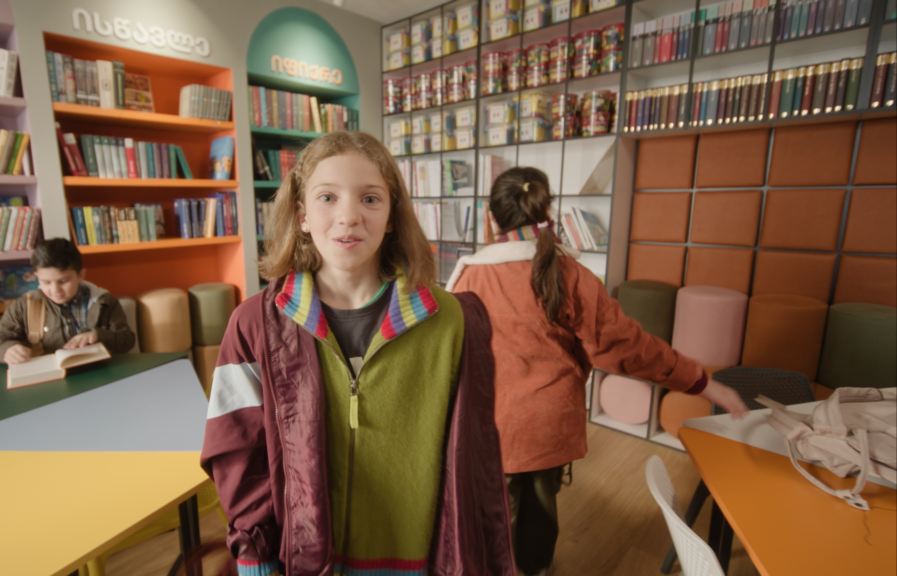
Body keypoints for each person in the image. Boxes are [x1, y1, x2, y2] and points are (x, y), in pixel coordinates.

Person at [200, 132, 514, 575]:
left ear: (391, 216)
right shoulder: (254, 325)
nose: (348, 216)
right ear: (302, 215)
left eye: (370, 199)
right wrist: (255, 557)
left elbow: (476, 462)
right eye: (327, 197)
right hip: (304, 562)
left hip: (417, 562)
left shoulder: (453, 322)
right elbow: (237, 451)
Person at [446, 167, 747, 576]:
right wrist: (702, 382)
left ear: (490, 217)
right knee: (535, 523)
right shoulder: (569, 274)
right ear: (546, 211)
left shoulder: (466, 276)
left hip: (484, 427)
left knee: (488, 518)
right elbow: (629, 348)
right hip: (545, 428)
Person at [0, 237, 135, 364]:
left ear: (81, 275)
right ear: (36, 277)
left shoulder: (105, 302)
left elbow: (127, 340)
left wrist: (97, 335)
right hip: (50, 379)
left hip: (98, 373)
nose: (55, 290)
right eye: (46, 282)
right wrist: (6, 349)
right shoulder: (24, 306)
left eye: (64, 281)